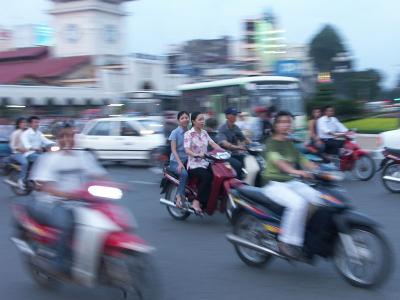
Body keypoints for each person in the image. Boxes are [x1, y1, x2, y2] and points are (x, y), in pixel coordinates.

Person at [29, 122, 107, 274]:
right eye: (63, 136)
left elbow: (99, 175)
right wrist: (65, 194)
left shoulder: (84, 156)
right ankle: (59, 262)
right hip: (51, 203)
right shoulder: (49, 158)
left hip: (80, 202)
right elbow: (43, 186)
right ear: (57, 138)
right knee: (66, 224)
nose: (67, 139)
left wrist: (115, 185)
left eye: (71, 135)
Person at [262, 111, 320, 259]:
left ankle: (297, 230)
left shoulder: (288, 142)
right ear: (275, 125)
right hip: (273, 184)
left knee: (317, 198)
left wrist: (319, 169)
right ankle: (284, 242)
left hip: (290, 182)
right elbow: (279, 163)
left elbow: (301, 158)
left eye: (288, 121)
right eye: (282, 121)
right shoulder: (270, 143)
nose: (286, 124)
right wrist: (297, 171)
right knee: (298, 204)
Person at [184, 112, 224, 214]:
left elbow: (213, 144)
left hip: (205, 163)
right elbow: (187, 150)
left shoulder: (205, 133)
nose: (203, 121)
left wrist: (224, 152)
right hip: (194, 165)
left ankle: (210, 201)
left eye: (203, 119)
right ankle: (196, 202)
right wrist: (196, 154)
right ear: (193, 121)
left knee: (218, 176)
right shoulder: (188, 134)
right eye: (200, 119)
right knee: (207, 177)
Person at [217, 107, 250, 180]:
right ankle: (237, 184)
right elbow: (224, 143)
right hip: (224, 155)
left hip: (235, 153)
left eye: (236, 115)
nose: (236, 117)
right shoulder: (222, 128)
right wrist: (239, 147)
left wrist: (250, 143)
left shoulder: (236, 127)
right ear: (227, 116)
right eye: (234, 115)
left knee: (248, 159)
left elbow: (243, 139)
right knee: (237, 165)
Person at [167, 111, 190, 208]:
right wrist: (180, 164)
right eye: (182, 118)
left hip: (188, 161)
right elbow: (173, 150)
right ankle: (178, 196)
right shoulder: (175, 133)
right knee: (184, 174)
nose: (185, 119)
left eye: (186, 117)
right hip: (175, 162)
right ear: (178, 121)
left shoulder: (190, 132)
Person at [7, 118, 28, 189]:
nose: (24, 124)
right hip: (16, 153)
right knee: (25, 163)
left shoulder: (26, 132)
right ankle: (20, 180)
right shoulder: (15, 133)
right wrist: (20, 149)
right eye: (22, 123)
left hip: (26, 153)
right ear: (19, 124)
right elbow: (12, 145)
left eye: (25, 122)